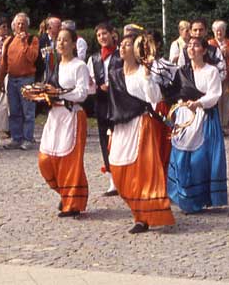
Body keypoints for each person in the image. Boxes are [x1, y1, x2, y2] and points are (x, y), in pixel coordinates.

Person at [108, 33, 175, 234]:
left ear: (136, 50)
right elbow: (113, 103)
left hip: (141, 124)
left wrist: (147, 76)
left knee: (141, 172)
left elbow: (154, 97)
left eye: (128, 44)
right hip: (121, 125)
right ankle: (136, 207)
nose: (122, 47)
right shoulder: (115, 74)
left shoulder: (142, 73)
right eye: (122, 44)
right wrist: (111, 127)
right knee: (117, 168)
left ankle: (142, 217)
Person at [167, 36, 228, 213]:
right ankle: (183, 197)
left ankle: (200, 198)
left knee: (199, 160)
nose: (192, 48)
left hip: (204, 116)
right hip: (185, 116)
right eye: (189, 45)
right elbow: (175, 92)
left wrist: (199, 103)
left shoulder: (211, 71)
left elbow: (215, 94)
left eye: (196, 45)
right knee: (180, 156)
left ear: (203, 50)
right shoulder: (182, 71)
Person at [36, 28, 91, 217]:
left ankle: (72, 203)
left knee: (70, 160)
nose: (61, 43)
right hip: (55, 115)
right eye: (59, 40)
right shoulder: (55, 65)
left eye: (65, 40)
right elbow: (50, 90)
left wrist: (59, 92)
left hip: (72, 114)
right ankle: (65, 193)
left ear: (74, 44)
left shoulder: (79, 66)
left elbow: (82, 93)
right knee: (46, 159)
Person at [86, 22, 120, 195]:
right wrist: (96, 86)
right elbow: (89, 81)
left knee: (119, 137)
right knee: (104, 138)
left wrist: (113, 86)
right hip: (102, 101)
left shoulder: (120, 55)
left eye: (105, 33)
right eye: (99, 35)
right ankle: (112, 179)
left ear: (112, 34)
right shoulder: (94, 58)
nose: (102, 37)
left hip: (119, 102)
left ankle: (124, 176)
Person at [0, 12, 41, 150]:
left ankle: (28, 138)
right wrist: (0, 80)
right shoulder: (8, 41)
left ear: (27, 26)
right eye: (18, 23)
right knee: (14, 111)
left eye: (23, 23)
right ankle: (16, 138)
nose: (21, 26)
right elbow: (4, 62)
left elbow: (32, 57)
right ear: (14, 26)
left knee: (28, 111)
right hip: (12, 79)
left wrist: (24, 44)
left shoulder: (33, 40)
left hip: (27, 79)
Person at [211, 20, 229, 136]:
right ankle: (218, 127)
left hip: (228, 77)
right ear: (213, 32)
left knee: (227, 102)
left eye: (221, 30)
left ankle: (226, 127)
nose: (219, 32)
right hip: (215, 77)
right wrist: (219, 53)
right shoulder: (210, 43)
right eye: (216, 30)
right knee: (217, 101)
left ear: (224, 31)